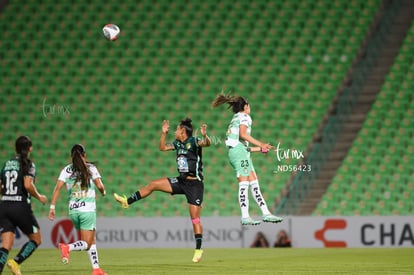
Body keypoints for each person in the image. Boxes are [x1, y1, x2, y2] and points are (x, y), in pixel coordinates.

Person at [114, 118, 211, 263]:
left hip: (195, 184)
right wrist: (163, 133)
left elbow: (207, 143)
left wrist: (205, 136)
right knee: (153, 184)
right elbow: (162, 148)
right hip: (181, 181)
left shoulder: (194, 141)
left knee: (195, 218)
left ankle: (198, 249)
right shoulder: (177, 143)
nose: (175, 131)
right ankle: (127, 201)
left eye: (177, 129)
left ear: (183, 131)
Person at [212, 93, 283, 225]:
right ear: (245, 107)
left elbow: (240, 144)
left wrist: (259, 149)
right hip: (238, 153)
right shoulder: (245, 117)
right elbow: (243, 135)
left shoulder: (235, 117)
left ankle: (266, 213)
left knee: (254, 182)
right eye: (249, 105)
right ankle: (245, 216)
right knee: (244, 183)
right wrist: (261, 144)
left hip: (239, 152)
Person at [48, 144, 107, 275]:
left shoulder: (66, 170)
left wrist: (52, 207)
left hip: (74, 211)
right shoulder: (90, 168)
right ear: (84, 154)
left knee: (92, 239)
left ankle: (96, 269)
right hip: (88, 210)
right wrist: (103, 192)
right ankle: (67, 247)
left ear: (71, 156)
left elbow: (57, 188)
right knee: (86, 243)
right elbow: (99, 185)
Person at [0, 136, 48, 275]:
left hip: (4, 206)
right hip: (19, 206)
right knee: (36, 239)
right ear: (30, 148)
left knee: (6, 245)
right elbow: (28, 185)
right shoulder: (28, 164)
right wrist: (39, 197)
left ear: (15, 148)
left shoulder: (6, 164)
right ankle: (16, 262)